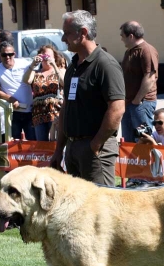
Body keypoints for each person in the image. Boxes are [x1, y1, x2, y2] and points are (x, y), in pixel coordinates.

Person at [49, 10, 125, 187]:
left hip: (95, 149)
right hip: (73, 148)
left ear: (82, 33)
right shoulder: (73, 66)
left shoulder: (105, 64)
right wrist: (59, 149)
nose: (63, 39)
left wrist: (95, 145)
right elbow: (66, 107)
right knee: (78, 209)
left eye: (66, 33)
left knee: (102, 209)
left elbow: (117, 109)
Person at [119, 20, 159, 143]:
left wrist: (137, 100)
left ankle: (147, 163)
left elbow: (150, 77)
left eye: (122, 36)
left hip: (142, 103)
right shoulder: (129, 51)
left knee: (143, 141)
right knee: (128, 142)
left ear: (131, 36)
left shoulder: (147, 50)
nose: (121, 39)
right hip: (129, 103)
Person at [0, 42, 35, 140]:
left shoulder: (24, 63)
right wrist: (12, 99)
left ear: (14, 54)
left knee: (33, 142)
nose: (7, 57)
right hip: (13, 111)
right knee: (15, 142)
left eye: (10, 54)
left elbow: (34, 78)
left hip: (30, 110)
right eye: (4, 55)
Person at [23, 45, 66, 141]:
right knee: (42, 145)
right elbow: (26, 80)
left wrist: (54, 65)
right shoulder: (35, 73)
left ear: (54, 57)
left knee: (55, 143)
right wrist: (33, 64)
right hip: (39, 114)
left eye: (49, 56)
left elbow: (64, 82)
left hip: (55, 113)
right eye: (44, 56)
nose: (47, 59)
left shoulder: (60, 70)